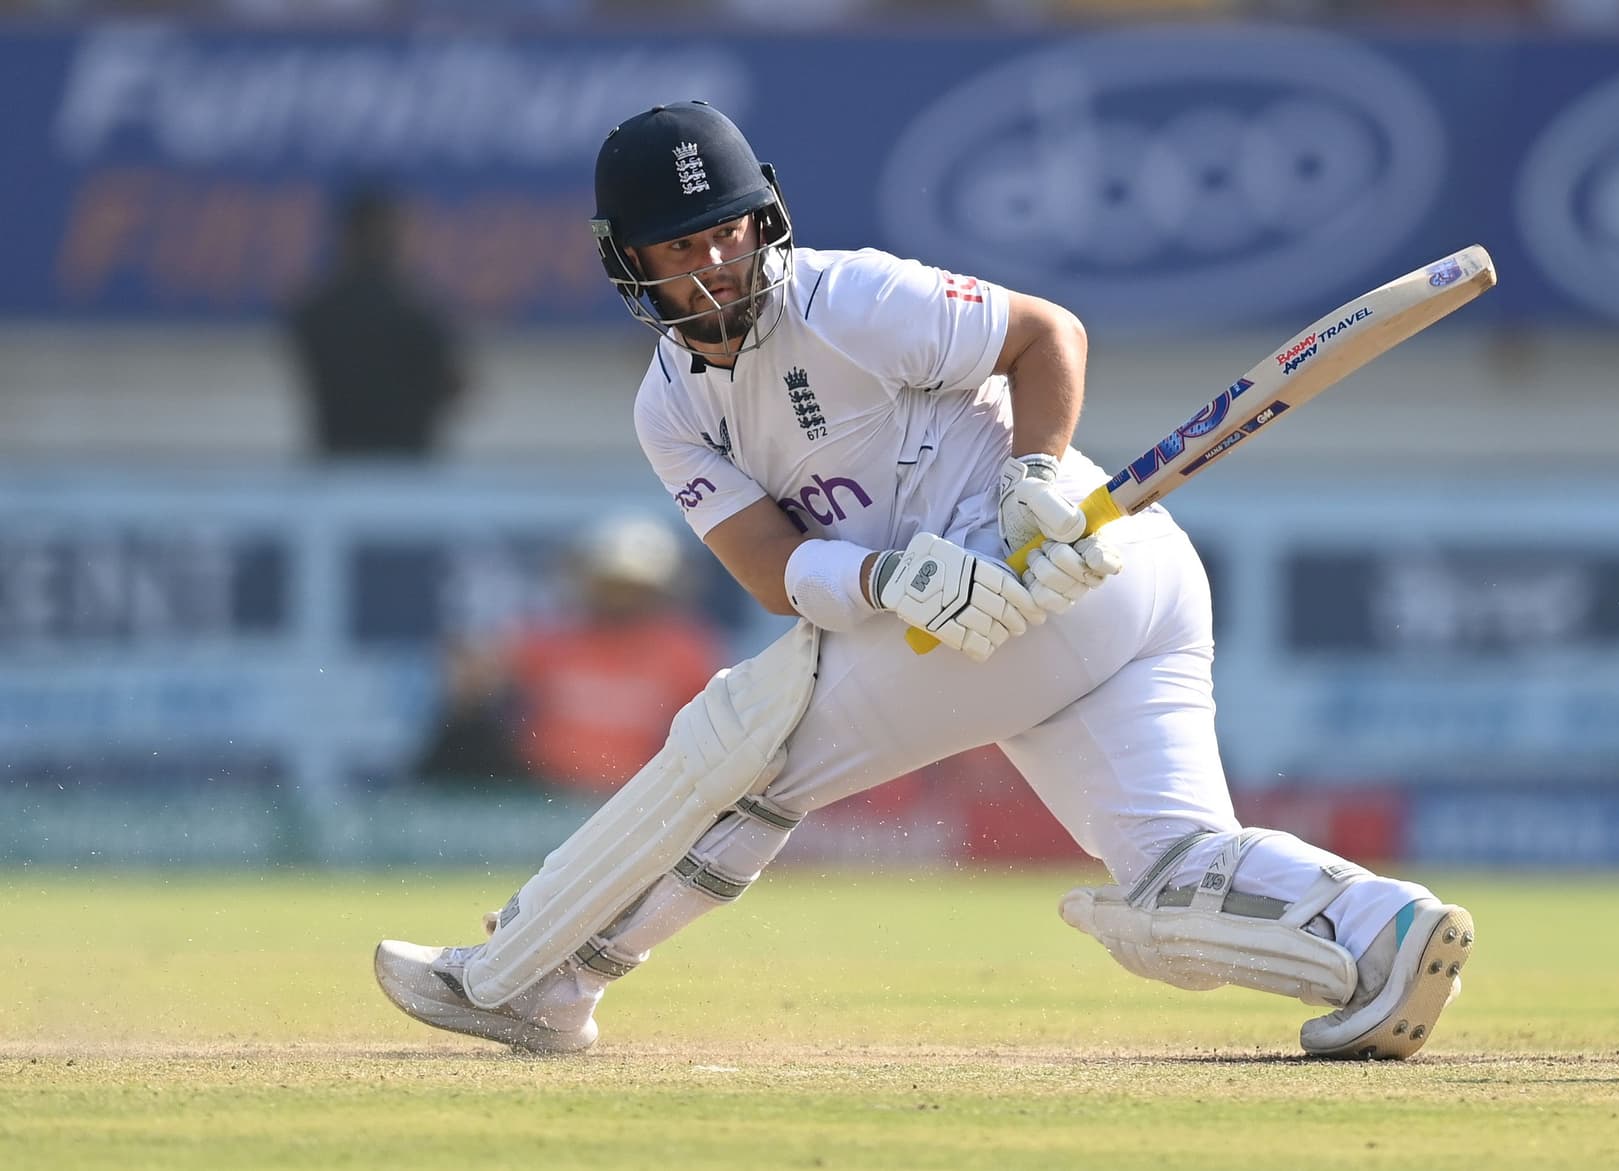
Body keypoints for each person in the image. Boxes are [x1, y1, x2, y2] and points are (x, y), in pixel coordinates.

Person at [375, 101, 1475, 1059]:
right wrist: (885, 579)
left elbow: (1047, 336)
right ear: (631, 264)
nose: (714, 264)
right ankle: (1381, 931)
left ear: (766, 219)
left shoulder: (848, 298)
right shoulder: (670, 408)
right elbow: (766, 566)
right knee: (1172, 874)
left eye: (727, 233)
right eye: (681, 248)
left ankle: (535, 981)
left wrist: (1037, 472)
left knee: (745, 750)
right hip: (1039, 609)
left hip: (1059, 572)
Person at [412, 515, 727, 795]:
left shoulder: (684, 649)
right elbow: (476, 674)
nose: (618, 597)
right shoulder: (554, 638)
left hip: (644, 799)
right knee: (465, 731)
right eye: (608, 584)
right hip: (541, 791)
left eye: (629, 586)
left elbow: (714, 733)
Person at [287, 187, 466, 458]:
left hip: (336, 464)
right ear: (390, 238)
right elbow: (454, 387)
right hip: (408, 467)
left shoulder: (312, 311)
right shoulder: (415, 313)